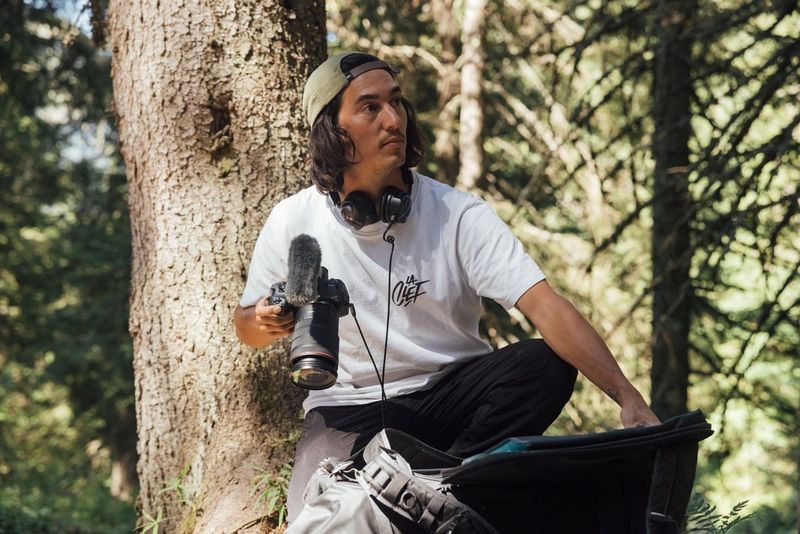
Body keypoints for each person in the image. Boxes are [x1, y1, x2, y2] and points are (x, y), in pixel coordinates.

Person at [234, 51, 660, 522]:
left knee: (543, 364)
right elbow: (246, 328)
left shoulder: (458, 213)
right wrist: (263, 320)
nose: (393, 119)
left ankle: (445, 489)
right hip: (348, 409)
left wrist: (627, 396)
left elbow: (545, 306)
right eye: (370, 107)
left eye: (397, 102)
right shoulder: (294, 219)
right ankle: (433, 496)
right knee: (315, 514)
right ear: (333, 132)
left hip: (453, 398)